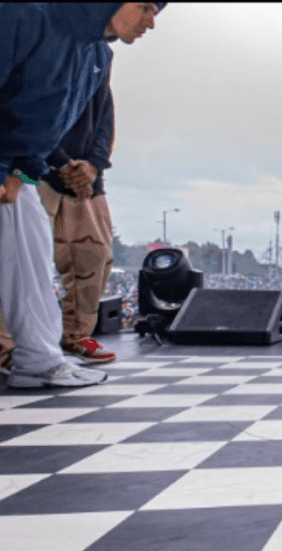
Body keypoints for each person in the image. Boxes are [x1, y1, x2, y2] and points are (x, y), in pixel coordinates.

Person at [0, 2, 164, 388]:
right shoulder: (23, 15)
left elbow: (45, 135)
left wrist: (21, 175)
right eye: (144, 7)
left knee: (32, 250)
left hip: (17, 168)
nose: (150, 23)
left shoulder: (96, 56)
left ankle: (38, 361)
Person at [36, 75, 119, 365]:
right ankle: (6, 343)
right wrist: (60, 162)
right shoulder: (44, 42)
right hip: (28, 172)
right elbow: (31, 111)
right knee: (19, 257)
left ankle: (76, 334)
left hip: (85, 180)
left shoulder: (99, 54)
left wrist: (94, 166)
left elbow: (105, 119)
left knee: (95, 256)